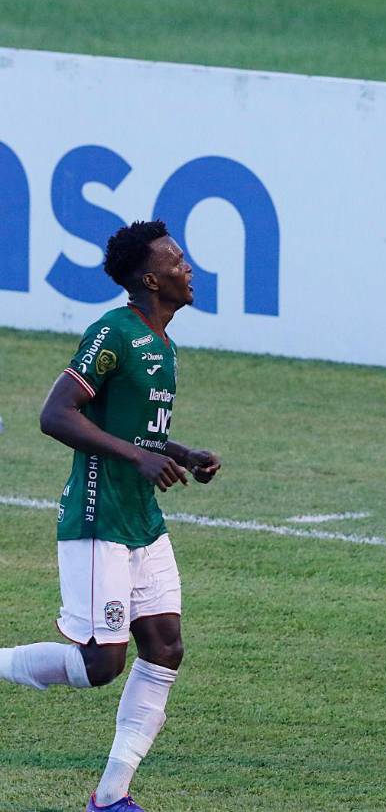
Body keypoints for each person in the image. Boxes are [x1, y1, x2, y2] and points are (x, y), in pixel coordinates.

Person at [0, 220, 221, 812]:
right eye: (176, 260)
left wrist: (178, 452)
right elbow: (56, 415)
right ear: (151, 279)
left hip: (142, 520)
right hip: (99, 517)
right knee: (101, 663)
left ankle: (110, 796)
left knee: (165, 646)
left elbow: (134, 428)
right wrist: (140, 460)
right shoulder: (114, 333)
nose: (187, 267)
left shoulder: (161, 342)